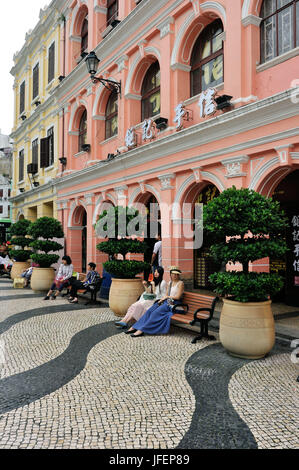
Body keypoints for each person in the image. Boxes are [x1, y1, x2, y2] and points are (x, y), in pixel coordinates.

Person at [126, 266, 184, 337]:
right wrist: (162, 299)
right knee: (150, 311)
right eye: (173, 274)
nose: (174, 276)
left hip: (175, 305)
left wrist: (167, 297)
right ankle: (135, 327)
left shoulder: (180, 283)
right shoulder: (170, 283)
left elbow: (178, 297)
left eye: (176, 274)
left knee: (155, 313)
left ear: (178, 275)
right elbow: (166, 295)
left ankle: (142, 330)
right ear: (170, 274)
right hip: (167, 302)